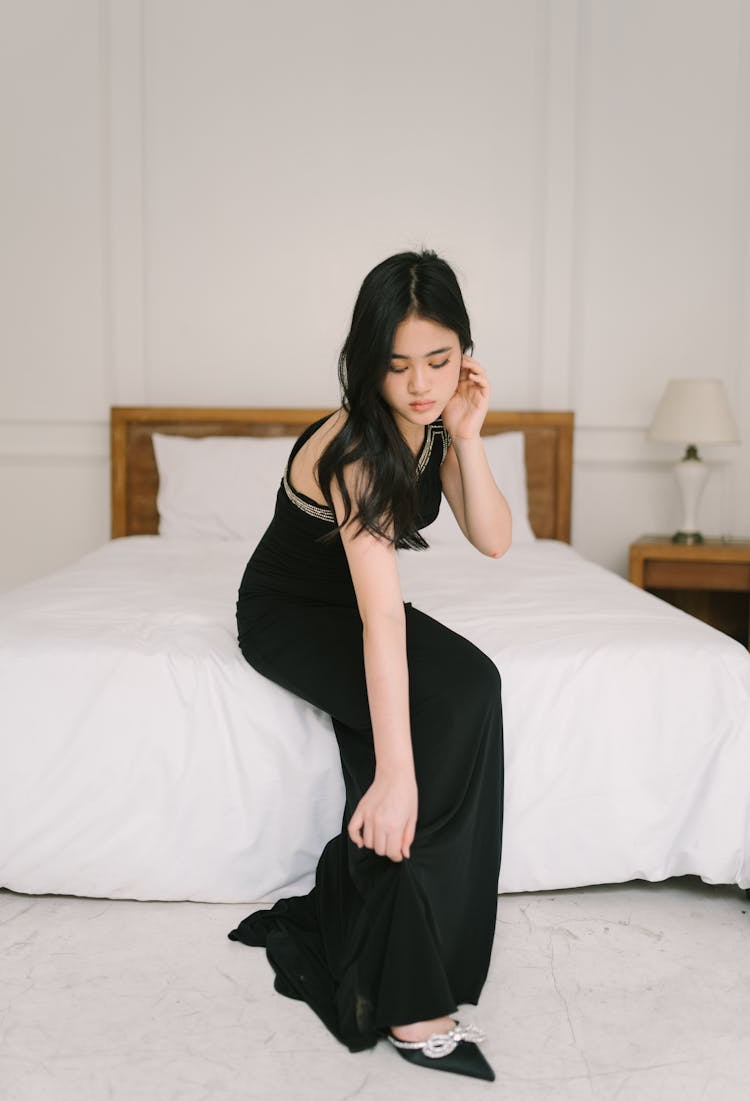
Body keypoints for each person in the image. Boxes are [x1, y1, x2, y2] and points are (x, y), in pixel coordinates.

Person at [228, 249, 510, 1082]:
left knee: (475, 688)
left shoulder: (434, 423)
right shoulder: (356, 444)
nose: (421, 383)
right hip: (292, 616)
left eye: (439, 358)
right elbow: (382, 617)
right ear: (366, 361)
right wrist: (394, 773)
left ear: (464, 351)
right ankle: (406, 988)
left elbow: (493, 538)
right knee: (411, 739)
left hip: (356, 602)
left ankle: (439, 949)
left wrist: (466, 434)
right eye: (397, 365)